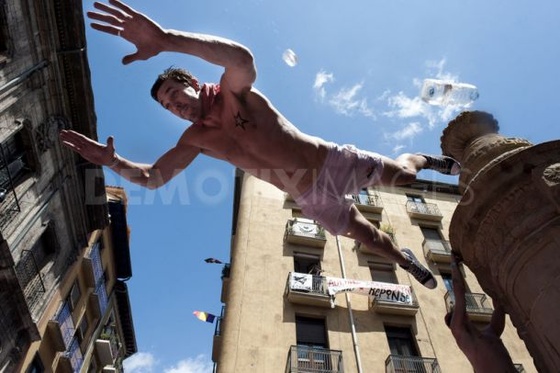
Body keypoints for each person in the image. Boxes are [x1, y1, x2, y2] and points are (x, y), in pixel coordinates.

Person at [60, 0, 461, 289]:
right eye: (167, 106)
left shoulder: (235, 93)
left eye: (175, 93)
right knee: (370, 239)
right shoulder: (196, 138)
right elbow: (151, 178)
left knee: (405, 176)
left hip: (333, 164)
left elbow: (242, 57)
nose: (175, 106)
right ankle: (405, 261)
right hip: (311, 198)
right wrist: (111, 161)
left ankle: (423, 157)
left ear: (194, 83)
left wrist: (167, 39)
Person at [444, 254, 518, 372]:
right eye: (452, 320)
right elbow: (459, 291)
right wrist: (453, 264)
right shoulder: (461, 335)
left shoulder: (491, 333)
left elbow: (500, 306)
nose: (457, 317)